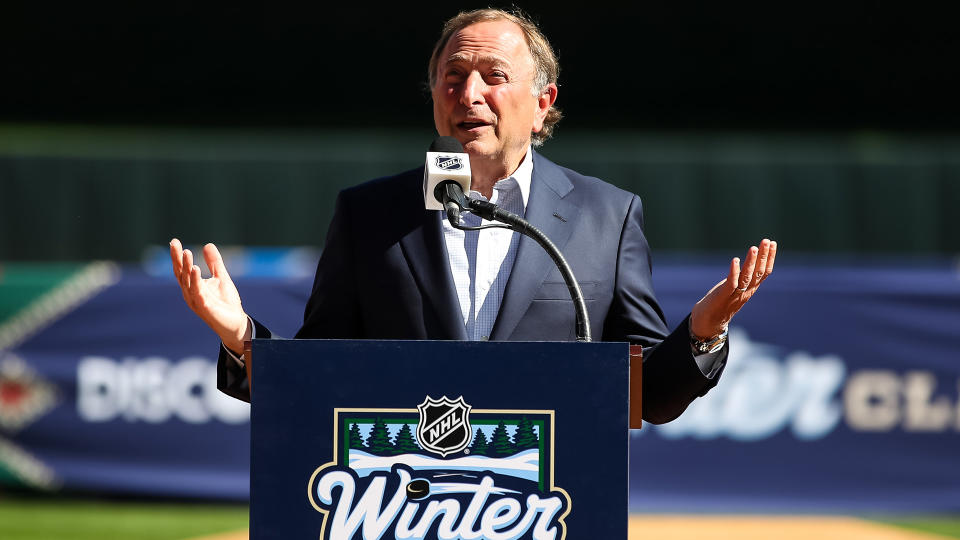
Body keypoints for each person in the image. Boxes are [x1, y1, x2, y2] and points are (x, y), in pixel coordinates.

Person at [169, 8, 776, 423]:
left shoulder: (606, 215)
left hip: (545, 501)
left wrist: (703, 332)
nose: (470, 94)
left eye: (494, 77)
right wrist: (242, 338)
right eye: (452, 78)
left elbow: (649, 396)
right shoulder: (369, 214)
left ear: (543, 104)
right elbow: (321, 375)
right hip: (403, 503)